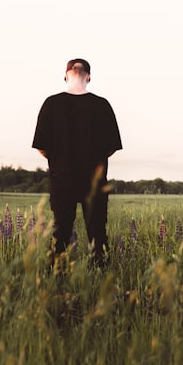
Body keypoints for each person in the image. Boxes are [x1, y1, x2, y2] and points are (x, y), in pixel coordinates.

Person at [33, 58, 122, 266]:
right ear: (88, 77)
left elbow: (42, 147)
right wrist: (92, 159)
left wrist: (60, 160)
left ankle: (57, 279)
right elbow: (111, 147)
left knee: (60, 233)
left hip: (62, 180)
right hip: (94, 182)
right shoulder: (102, 105)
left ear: (66, 75)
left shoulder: (51, 104)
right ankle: (100, 279)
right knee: (97, 234)